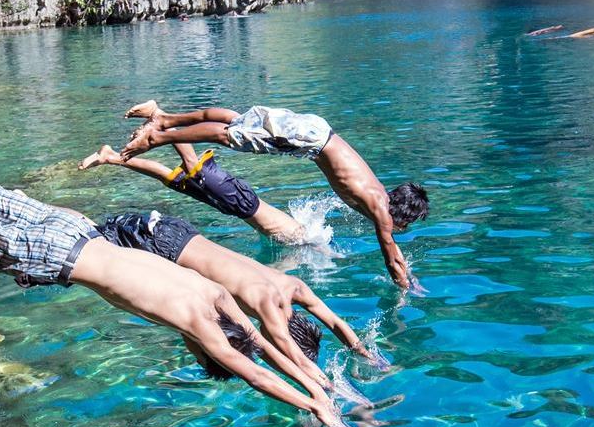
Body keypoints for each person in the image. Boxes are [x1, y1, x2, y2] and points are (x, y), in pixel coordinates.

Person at [0, 85, 345, 427]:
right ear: (206, 350)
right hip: (58, 258)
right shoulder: (199, 323)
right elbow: (252, 367)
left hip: (79, 229)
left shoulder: (217, 296)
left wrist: (316, 382)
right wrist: (314, 406)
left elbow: (263, 347)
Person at [117, 102, 430, 289]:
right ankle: (157, 137)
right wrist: (404, 288)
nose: (400, 229)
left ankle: (163, 117)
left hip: (316, 131)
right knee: (229, 135)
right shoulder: (380, 209)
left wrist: (409, 274)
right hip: (308, 139)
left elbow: (395, 254)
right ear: (401, 213)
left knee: (236, 120)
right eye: (407, 223)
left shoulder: (378, 193)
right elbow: (391, 257)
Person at [92, 210, 377, 396]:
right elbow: (293, 358)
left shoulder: (294, 288)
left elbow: (337, 323)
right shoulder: (269, 310)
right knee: (90, 247)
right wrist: (332, 390)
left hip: (181, 232)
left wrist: (365, 353)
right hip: (162, 246)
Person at [79, 143, 312, 244]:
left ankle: (110, 157)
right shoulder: (305, 240)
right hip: (242, 202)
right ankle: (161, 119)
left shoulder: (299, 236)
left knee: (169, 179)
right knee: (191, 164)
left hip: (233, 206)